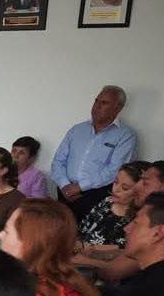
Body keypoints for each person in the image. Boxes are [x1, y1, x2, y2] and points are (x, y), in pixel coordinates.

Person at [51, 85, 138, 217]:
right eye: (96, 101)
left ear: (118, 108)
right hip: (64, 191)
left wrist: (79, 187)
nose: (97, 106)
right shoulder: (77, 129)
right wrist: (64, 185)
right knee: (61, 227)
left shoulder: (125, 135)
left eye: (104, 103)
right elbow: (58, 160)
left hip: (95, 195)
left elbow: (115, 170)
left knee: (87, 230)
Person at [73, 160, 149, 265]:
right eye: (115, 182)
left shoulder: (138, 219)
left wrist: (87, 251)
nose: (116, 189)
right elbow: (82, 229)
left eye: (125, 188)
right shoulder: (107, 202)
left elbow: (123, 254)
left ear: (140, 191)